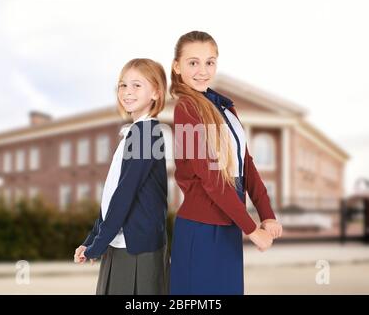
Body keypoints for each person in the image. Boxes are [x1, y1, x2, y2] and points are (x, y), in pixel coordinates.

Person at [170, 31, 283, 295]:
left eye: (209, 62)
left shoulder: (227, 110)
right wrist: (253, 229)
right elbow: (211, 177)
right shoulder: (186, 109)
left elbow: (247, 166)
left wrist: (267, 215)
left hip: (229, 226)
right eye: (193, 62)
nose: (202, 71)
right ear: (177, 66)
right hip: (201, 229)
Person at [74, 58, 169, 295]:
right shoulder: (133, 133)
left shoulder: (147, 133)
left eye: (137, 85)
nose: (127, 92)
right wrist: (92, 239)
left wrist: (97, 245)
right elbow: (111, 195)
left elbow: (125, 194)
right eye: (122, 85)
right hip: (119, 243)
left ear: (156, 92)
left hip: (138, 248)